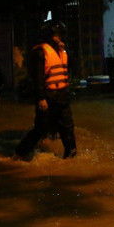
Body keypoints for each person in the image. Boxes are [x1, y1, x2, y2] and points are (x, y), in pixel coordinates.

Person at [14, 20, 77, 160]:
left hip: (62, 96)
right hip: (48, 97)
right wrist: (41, 98)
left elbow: (72, 64)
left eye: (61, 34)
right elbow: (38, 78)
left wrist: (66, 49)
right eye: (56, 34)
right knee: (41, 128)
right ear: (49, 35)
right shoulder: (40, 52)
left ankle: (71, 157)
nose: (59, 37)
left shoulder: (62, 51)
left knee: (68, 128)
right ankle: (20, 153)